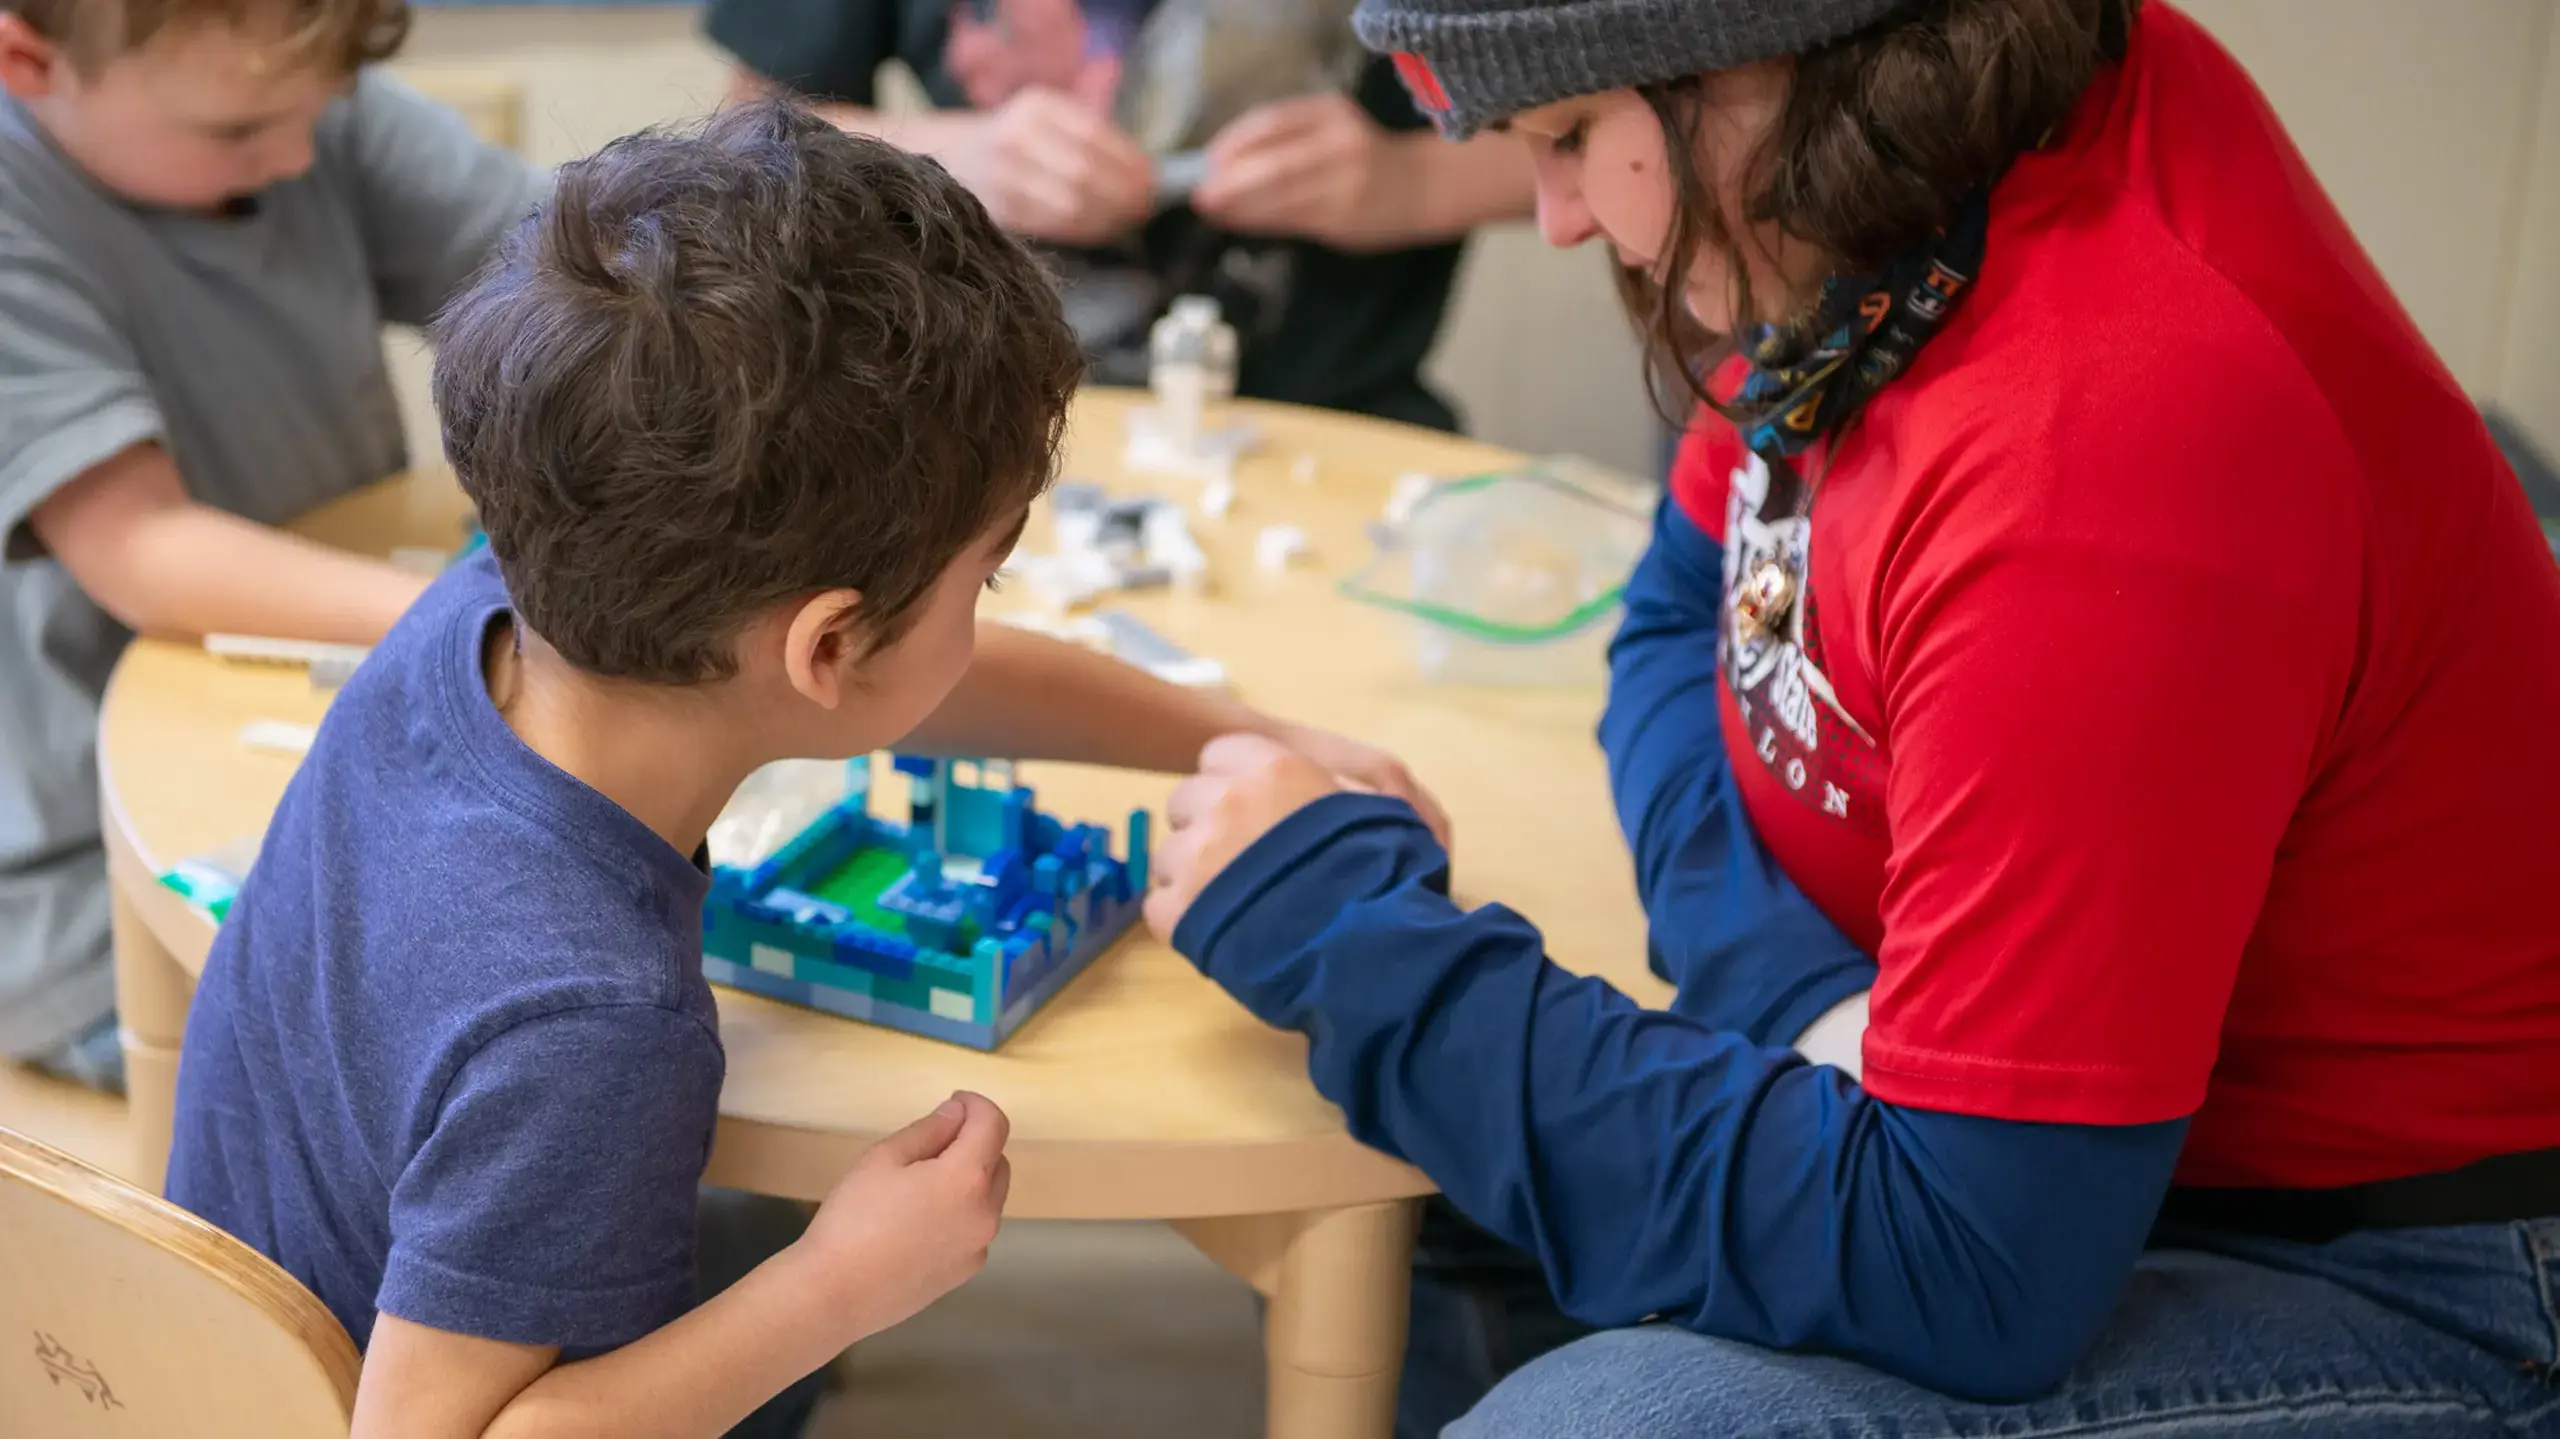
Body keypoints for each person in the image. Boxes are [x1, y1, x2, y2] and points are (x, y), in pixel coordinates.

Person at [1139, 1, 2560, 1435]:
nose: (1559, 219)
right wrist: (1790, 993)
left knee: (1589, 1408)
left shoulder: (2104, 437)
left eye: (1568, 135)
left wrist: (1366, 954)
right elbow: (1682, 613)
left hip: (2406, 1268)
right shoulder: (1873, 180)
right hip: (1986, 1124)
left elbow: (1973, 1269)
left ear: (1748, 58)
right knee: (1446, 1142)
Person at [164, 98, 1440, 1439]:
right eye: (985, 577)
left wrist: (1237, 731)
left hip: (235, 1345)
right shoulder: (595, 1022)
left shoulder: (493, 604)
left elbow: (916, 673)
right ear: (827, 644)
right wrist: (839, 1285)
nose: (981, 609)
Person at [0, 0, 543, 1092]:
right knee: (481, 1070)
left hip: (332, 740)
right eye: (240, 133)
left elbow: (566, 265)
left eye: (325, 107)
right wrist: (488, 614)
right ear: (27, 60)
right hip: (94, 877)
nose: (297, 157)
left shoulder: (286, 86)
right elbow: (143, 546)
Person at [704, 0, 1534, 432]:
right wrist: (947, 160)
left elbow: (1584, 146)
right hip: (978, 432)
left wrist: (1407, 183)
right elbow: (747, 132)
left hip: (1340, 420)